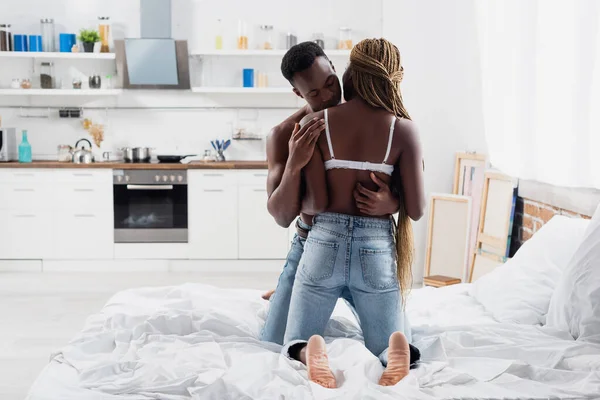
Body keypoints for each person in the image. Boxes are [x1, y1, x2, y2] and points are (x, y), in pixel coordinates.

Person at [281, 38, 425, 388]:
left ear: (350, 73)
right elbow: (417, 210)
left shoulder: (317, 123)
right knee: (385, 341)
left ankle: (308, 350)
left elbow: (319, 202)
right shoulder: (402, 129)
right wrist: (391, 202)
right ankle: (394, 353)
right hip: (375, 244)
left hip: (323, 241)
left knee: (293, 338)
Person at [262, 42, 406, 347]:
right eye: (315, 93)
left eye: (330, 82)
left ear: (334, 68)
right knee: (274, 342)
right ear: (299, 94)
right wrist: (294, 164)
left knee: (400, 343)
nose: (328, 95)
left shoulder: (369, 115)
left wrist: (392, 201)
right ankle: (293, 291)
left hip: (367, 247)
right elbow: (280, 216)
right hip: (310, 246)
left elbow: (409, 178)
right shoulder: (285, 134)